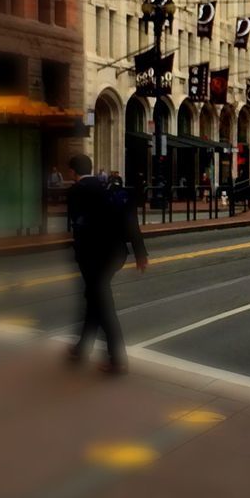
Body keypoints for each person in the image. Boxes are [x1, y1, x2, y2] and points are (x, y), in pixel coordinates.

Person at [66, 153, 148, 375]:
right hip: (116, 254)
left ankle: (117, 359)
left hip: (93, 256)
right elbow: (130, 220)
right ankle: (81, 348)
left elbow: (78, 225)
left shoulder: (76, 191)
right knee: (94, 298)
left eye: (69, 172)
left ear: (73, 172)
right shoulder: (110, 188)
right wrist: (140, 252)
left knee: (101, 303)